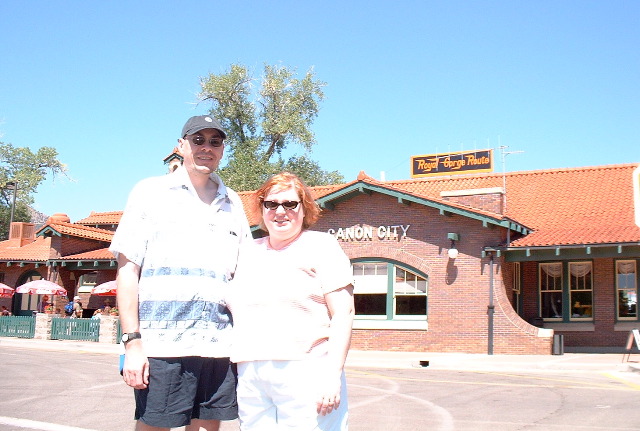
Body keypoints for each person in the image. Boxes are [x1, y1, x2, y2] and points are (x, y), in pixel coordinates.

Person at [109, 115, 251, 431]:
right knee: (154, 426)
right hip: (162, 346)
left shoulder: (233, 203)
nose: (206, 148)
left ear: (223, 149)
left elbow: (243, 276)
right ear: (181, 146)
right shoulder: (150, 192)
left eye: (215, 141)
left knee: (207, 427)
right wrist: (133, 343)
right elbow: (128, 271)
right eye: (198, 140)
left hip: (218, 346)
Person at [226, 172, 355, 430]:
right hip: (250, 371)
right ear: (262, 209)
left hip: (305, 370)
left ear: (304, 209)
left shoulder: (321, 246)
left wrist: (332, 376)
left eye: (290, 204)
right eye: (271, 204)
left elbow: (344, 313)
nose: (280, 211)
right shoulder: (246, 252)